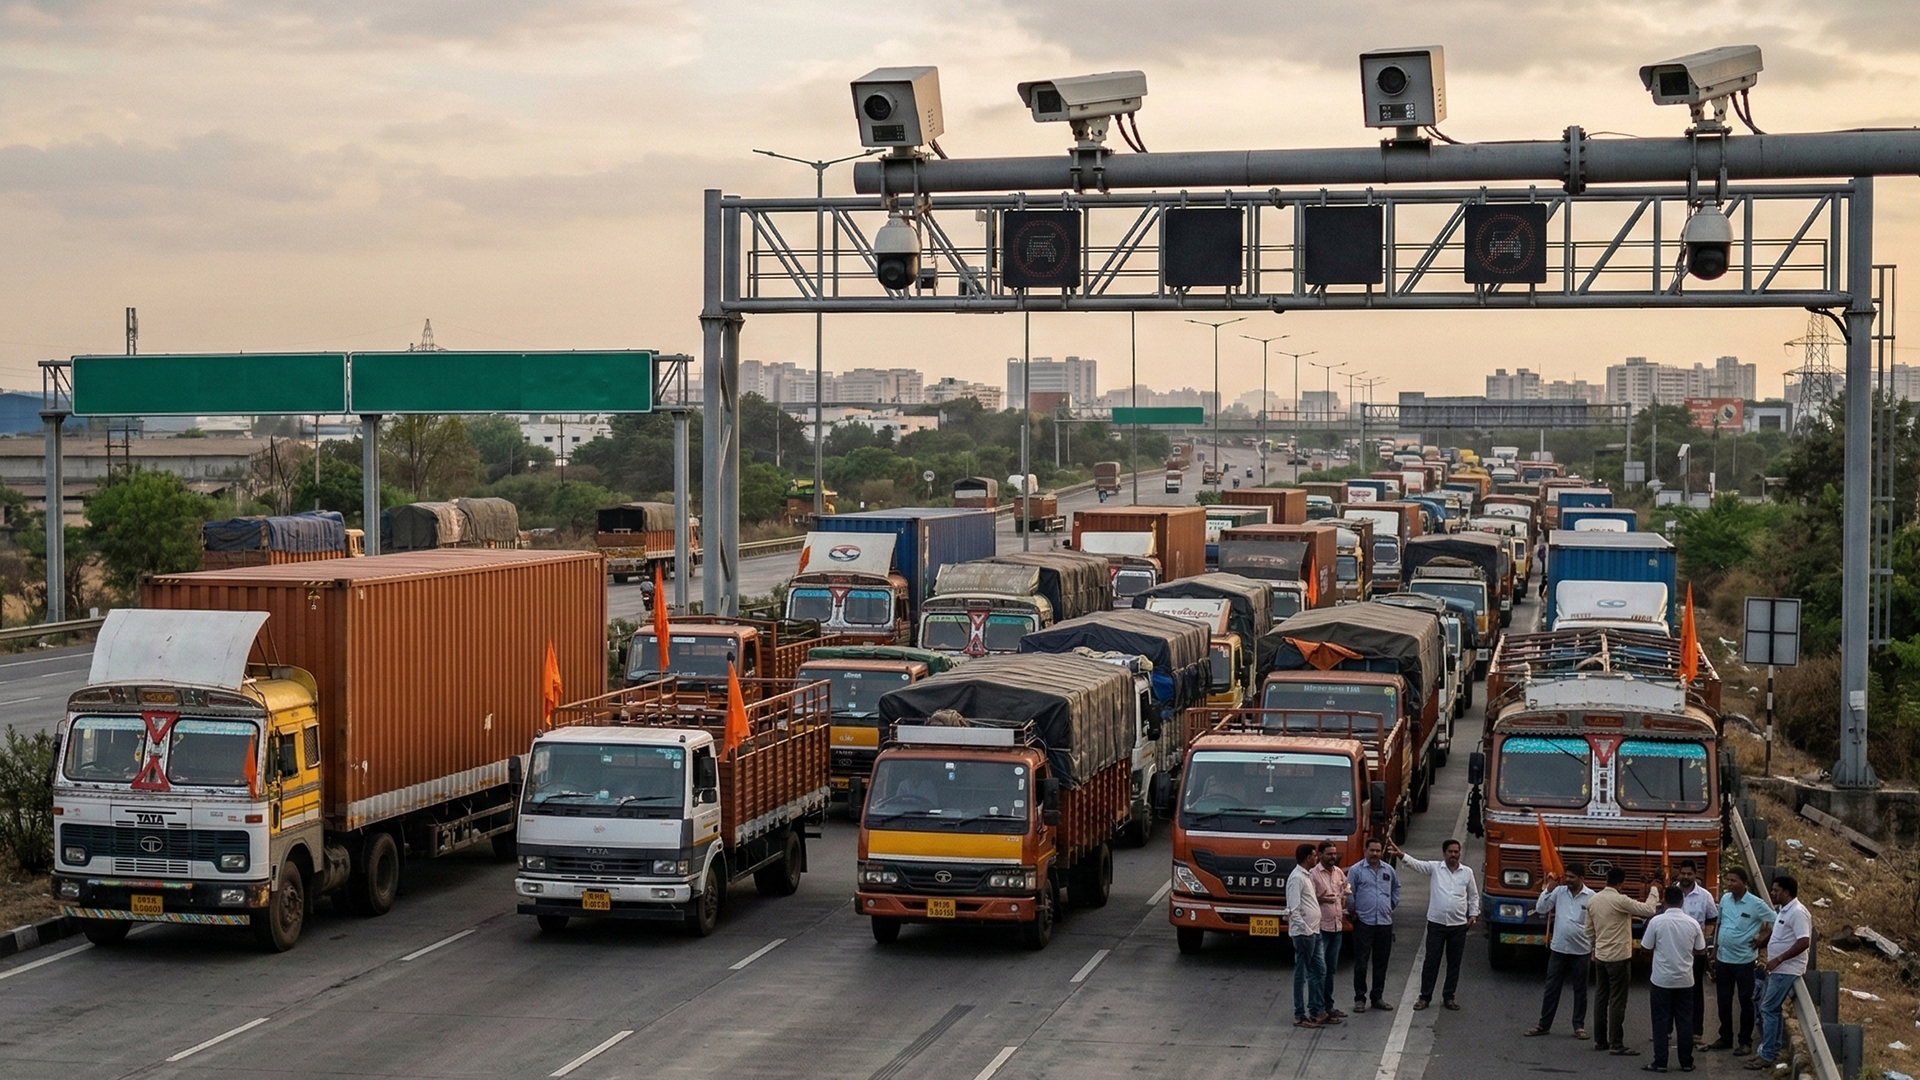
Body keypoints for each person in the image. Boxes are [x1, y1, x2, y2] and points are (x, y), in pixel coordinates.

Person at [1391, 838, 1478, 1011]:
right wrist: (1401, 855)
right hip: (1436, 924)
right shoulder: (1435, 868)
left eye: (1456, 852)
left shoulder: (1467, 872)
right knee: (1431, 962)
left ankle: (1449, 997)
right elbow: (1416, 864)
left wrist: (1474, 914)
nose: (1453, 855)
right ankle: (1425, 997)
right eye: (1450, 852)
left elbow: (1473, 896)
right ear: (1444, 853)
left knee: (1454, 964)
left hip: (1458, 926)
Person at [1586, 867, 1661, 1056]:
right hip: (1618, 957)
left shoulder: (1593, 900)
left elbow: (1588, 930)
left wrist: (1595, 948)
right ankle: (1616, 1043)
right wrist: (1654, 890)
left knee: (1601, 997)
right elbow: (1648, 910)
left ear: (1606, 880)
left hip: (1601, 956)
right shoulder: (1621, 900)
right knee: (1618, 1001)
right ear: (1622, 883)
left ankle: (1600, 1040)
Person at [1642, 884, 1709, 1073]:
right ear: (1682, 901)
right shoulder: (1693, 923)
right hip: (1685, 980)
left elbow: (1646, 947)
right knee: (1685, 1021)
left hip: (1661, 980)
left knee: (1661, 1021)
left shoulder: (1656, 922)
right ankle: (1686, 1062)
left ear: (1664, 900)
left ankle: (1660, 1062)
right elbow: (1701, 949)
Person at [1748, 875, 1811, 1071]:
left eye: (1776, 890)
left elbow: (1804, 941)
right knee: (1769, 1008)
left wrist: (1779, 959)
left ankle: (1767, 1055)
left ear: (1786, 892)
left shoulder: (1798, 913)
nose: (1773, 893)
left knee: (1768, 1008)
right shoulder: (1783, 910)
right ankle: (1771, 1050)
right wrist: (1762, 943)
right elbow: (1778, 933)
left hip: (1787, 969)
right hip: (1776, 969)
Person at [1706, 867, 1771, 1055]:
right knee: (1723, 1001)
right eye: (1728, 880)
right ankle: (1725, 1037)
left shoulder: (1756, 904)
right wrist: (1714, 950)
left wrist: (1762, 940)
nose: (1729, 884)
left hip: (1744, 961)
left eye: (1733, 880)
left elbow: (1777, 920)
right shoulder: (1725, 899)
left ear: (1744, 883)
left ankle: (1745, 1041)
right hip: (1723, 959)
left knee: (1745, 1001)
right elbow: (1719, 925)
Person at [1525, 868, 1593, 1040]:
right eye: (1567, 876)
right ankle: (1543, 1025)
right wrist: (1548, 889)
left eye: (1572, 877)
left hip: (1581, 950)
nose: (1568, 880)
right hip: (1559, 949)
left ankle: (1579, 1026)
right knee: (1551, 988)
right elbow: (1541, 909)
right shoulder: (1559, 892)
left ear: (1581, 878)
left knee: (1580, 990)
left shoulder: (1592, 897)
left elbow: (1597, 922)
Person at [1348, 838, 1400, 1013]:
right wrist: (1353, 911)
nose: (1375, 854)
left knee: (1381, 963)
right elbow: (1349, 893)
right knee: (1361, 962)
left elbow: (1396, 889)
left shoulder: (1389, 870)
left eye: (1378, 851)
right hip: (1364, 922)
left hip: (1384, 924)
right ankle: (1360, 999)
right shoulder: (1356, 871)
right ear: (1365, 851)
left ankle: (1377, 997)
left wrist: (1390, 906)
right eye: (1372, 850)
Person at [1287, 843, 1333, 1028]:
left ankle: (1316, 1009)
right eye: (1315, 856)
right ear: (1308, 858)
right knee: (1302, 974)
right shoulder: (1297, 878)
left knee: (1320, 970)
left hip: (1314, 931)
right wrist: (1306, 930)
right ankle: (1300, 1014)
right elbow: (1293, 909)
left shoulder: (1306, 876)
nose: (1317, 858)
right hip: (1305, 935)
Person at [1675, 860, 1719, 1042]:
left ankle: (1696, 1032)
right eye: (1682, 874)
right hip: (1673, 951)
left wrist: (1705, 941)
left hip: (1696, 952)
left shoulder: (1705, 896)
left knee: (1695, 991)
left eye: (1689, 874)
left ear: (1695, 874)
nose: (1685, 877)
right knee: (1671, 990)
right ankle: (1668, 1030)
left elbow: (1713, 919)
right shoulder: (1671, 893)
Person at [1312, 841, 1351, 1021]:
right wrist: (1322, 899)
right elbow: (1309, 900)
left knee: (1331, 970)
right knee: (1319, 971)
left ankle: (1329, 1006)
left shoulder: (1338, 873)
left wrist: (1344, 899)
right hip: (1321, 929)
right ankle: (1318, 1008)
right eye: (1329, 854)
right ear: (1320, 855)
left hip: (1337, 928)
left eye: (1334, 854)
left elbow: (1345, 889)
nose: (1332, 857)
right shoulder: (1313, 875)